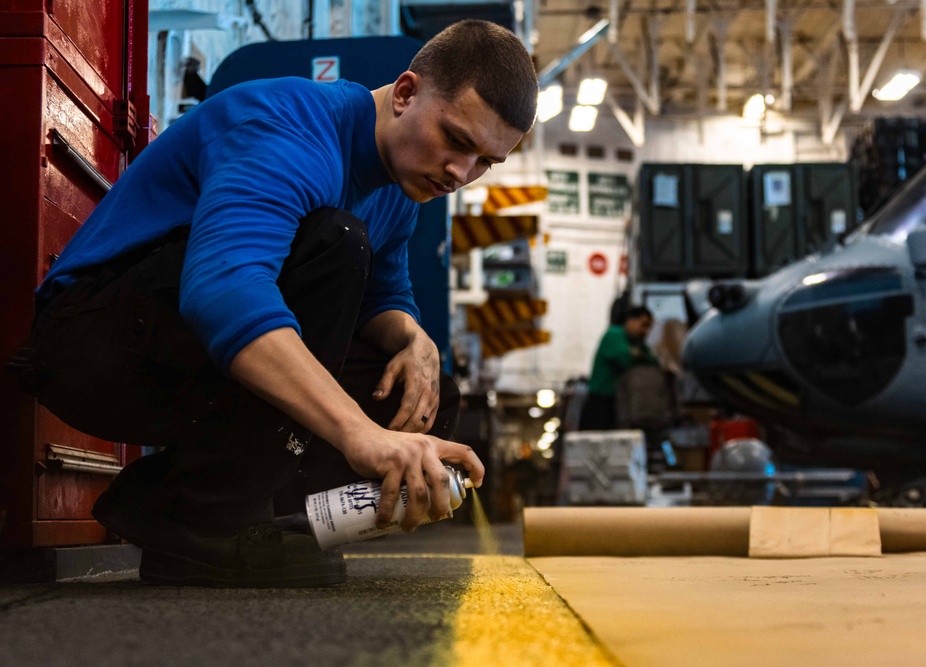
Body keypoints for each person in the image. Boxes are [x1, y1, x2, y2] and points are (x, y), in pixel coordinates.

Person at [9, 20, 537, 587]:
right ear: (406, 93)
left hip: (178, 357)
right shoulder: (291, 126)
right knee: (338, 242)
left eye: (485, 162)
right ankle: (206, 516)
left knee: (426, 398)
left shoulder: (403, 185)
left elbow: (383, 297)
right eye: (456, 139)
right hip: (90, 347)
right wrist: (358, 433)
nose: (461, 173)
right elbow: (224, 291)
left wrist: (413, 338)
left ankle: (183, 505)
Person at [579, 306, 658, 431]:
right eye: (643, 325)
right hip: (600, 403)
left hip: (619, 403)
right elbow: (625, 358)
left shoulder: (636, 343)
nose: (645, 331)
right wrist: (637, 355)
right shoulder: (614, 334)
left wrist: (638, 354)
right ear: (630, 320)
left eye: (648, 327)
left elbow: (653, 362)